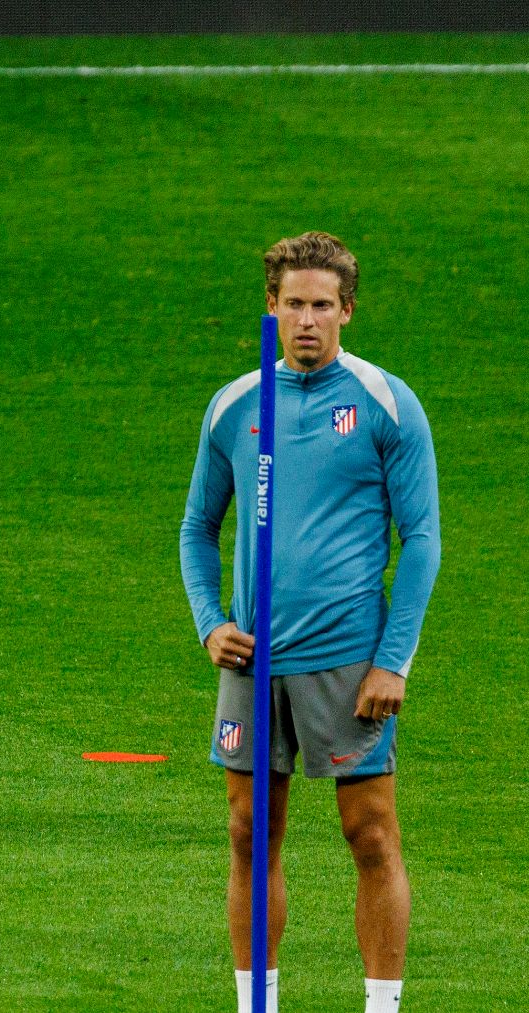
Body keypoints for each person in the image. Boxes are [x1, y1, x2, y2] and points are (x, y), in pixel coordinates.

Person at [180, 232, 439, 1013]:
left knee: (370, 832)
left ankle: (382, 1007)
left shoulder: (386, 404)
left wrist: (393, 660)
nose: (306, 320)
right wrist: (209, 622)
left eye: (322, 305)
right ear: (271, 305)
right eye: (293, 303)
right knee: (249, 833)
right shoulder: (234, 405)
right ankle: (257, 1004)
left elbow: (421, 538)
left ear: (347, 310)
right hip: (252, 661)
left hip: (347, 660)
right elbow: (198, 526)